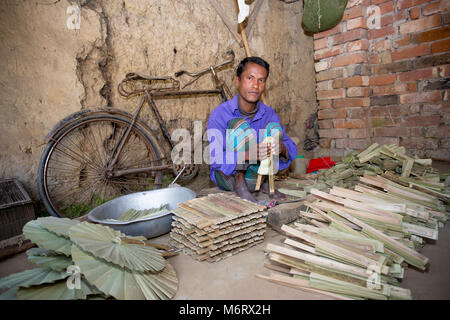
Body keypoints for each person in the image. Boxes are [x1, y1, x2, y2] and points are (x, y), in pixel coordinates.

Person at [206, 56, 298, 203]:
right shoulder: (220, 114)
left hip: (257, 178)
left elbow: (292, 149)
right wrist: (247, 154)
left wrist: (281, 148)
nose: (255, 85)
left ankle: (268, 183)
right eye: (250, 78)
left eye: (261, 80)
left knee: (274, 129)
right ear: (238, 81)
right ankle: (240, 182)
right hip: (228, 177)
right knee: (238, 125)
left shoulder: (268, 114)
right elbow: (215, 158)